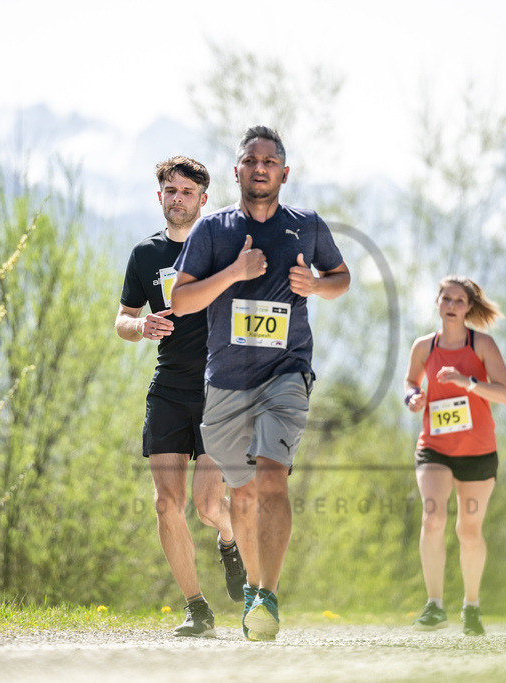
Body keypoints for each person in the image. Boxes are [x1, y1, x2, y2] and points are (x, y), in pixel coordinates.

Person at [169, 126, 350, 641]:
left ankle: (267, 593)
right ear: (237, 171)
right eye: (251, 160)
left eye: (270, 161)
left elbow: (342, 278)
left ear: (284, 173)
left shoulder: (307, 226)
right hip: (226, 381)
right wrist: (234, 272)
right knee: (243, 494)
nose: (260, 168)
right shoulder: (213, 230)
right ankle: (253, 588)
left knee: (272, 478)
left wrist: (316, 284)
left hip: (286, 372)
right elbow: (181, 301)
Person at [115, 156, 246, 637]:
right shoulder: (145, 255)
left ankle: (228, 540)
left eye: (187, 192)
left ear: (203, 199)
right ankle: (197, 608)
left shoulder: (222, 249)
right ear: (160, 197)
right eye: (170, 190)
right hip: (169, 387)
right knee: (165, 504)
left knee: (209, 506)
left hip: (219, 390)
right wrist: (139, 325)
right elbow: (122, 319)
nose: (177, 199)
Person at [405, 276, 506, 636]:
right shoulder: (424, 346)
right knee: (432, 518)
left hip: (477, 450)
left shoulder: (482, 345)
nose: (451, 305)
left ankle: (471, 606)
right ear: (437, 302)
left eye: (459, 300)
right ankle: (434, 606)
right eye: (446, 298)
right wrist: (413, 397)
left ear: (468, 307)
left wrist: (468, 383)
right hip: (434, 446)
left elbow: (505, 394)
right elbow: (410, 382)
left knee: (469, 530)